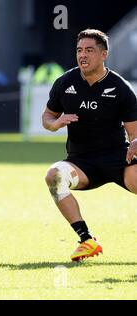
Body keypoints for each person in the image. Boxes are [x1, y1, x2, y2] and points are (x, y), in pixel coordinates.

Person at [42, 29, 137, 261]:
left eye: (89, 50)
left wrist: (135, 144)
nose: (82, 55)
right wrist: (55, 124)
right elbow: (47, 117)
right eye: (79, 50)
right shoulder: (65, 82)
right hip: (81, 161)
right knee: (53, 176)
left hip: (118, 158)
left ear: (104, 54)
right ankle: (86, 240)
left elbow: (134, 134)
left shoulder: (120, 87)